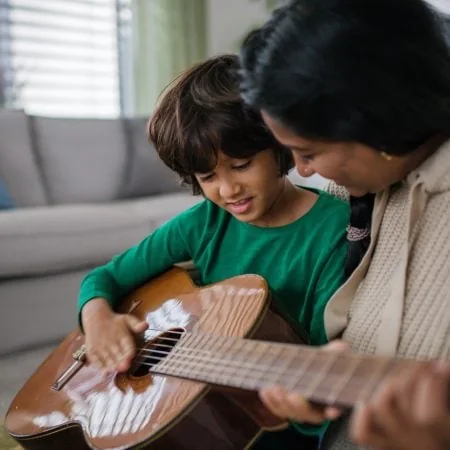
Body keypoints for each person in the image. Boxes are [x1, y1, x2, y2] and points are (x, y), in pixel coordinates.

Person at [77, 54, 349, 449]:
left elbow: (322, 363)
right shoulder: (202, 222)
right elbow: (105, 277)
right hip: (199, 402)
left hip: (274, 424)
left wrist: (303, 408)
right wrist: (97, 318)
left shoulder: (333, 229)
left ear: (280, 146)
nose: (227, 190)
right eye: (207, 176)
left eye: (240, 165)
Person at [239, 0, 450, 449]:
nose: (301, 171)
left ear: (380, 124)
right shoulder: (349, 189)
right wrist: (318, 378)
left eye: (308, 152)